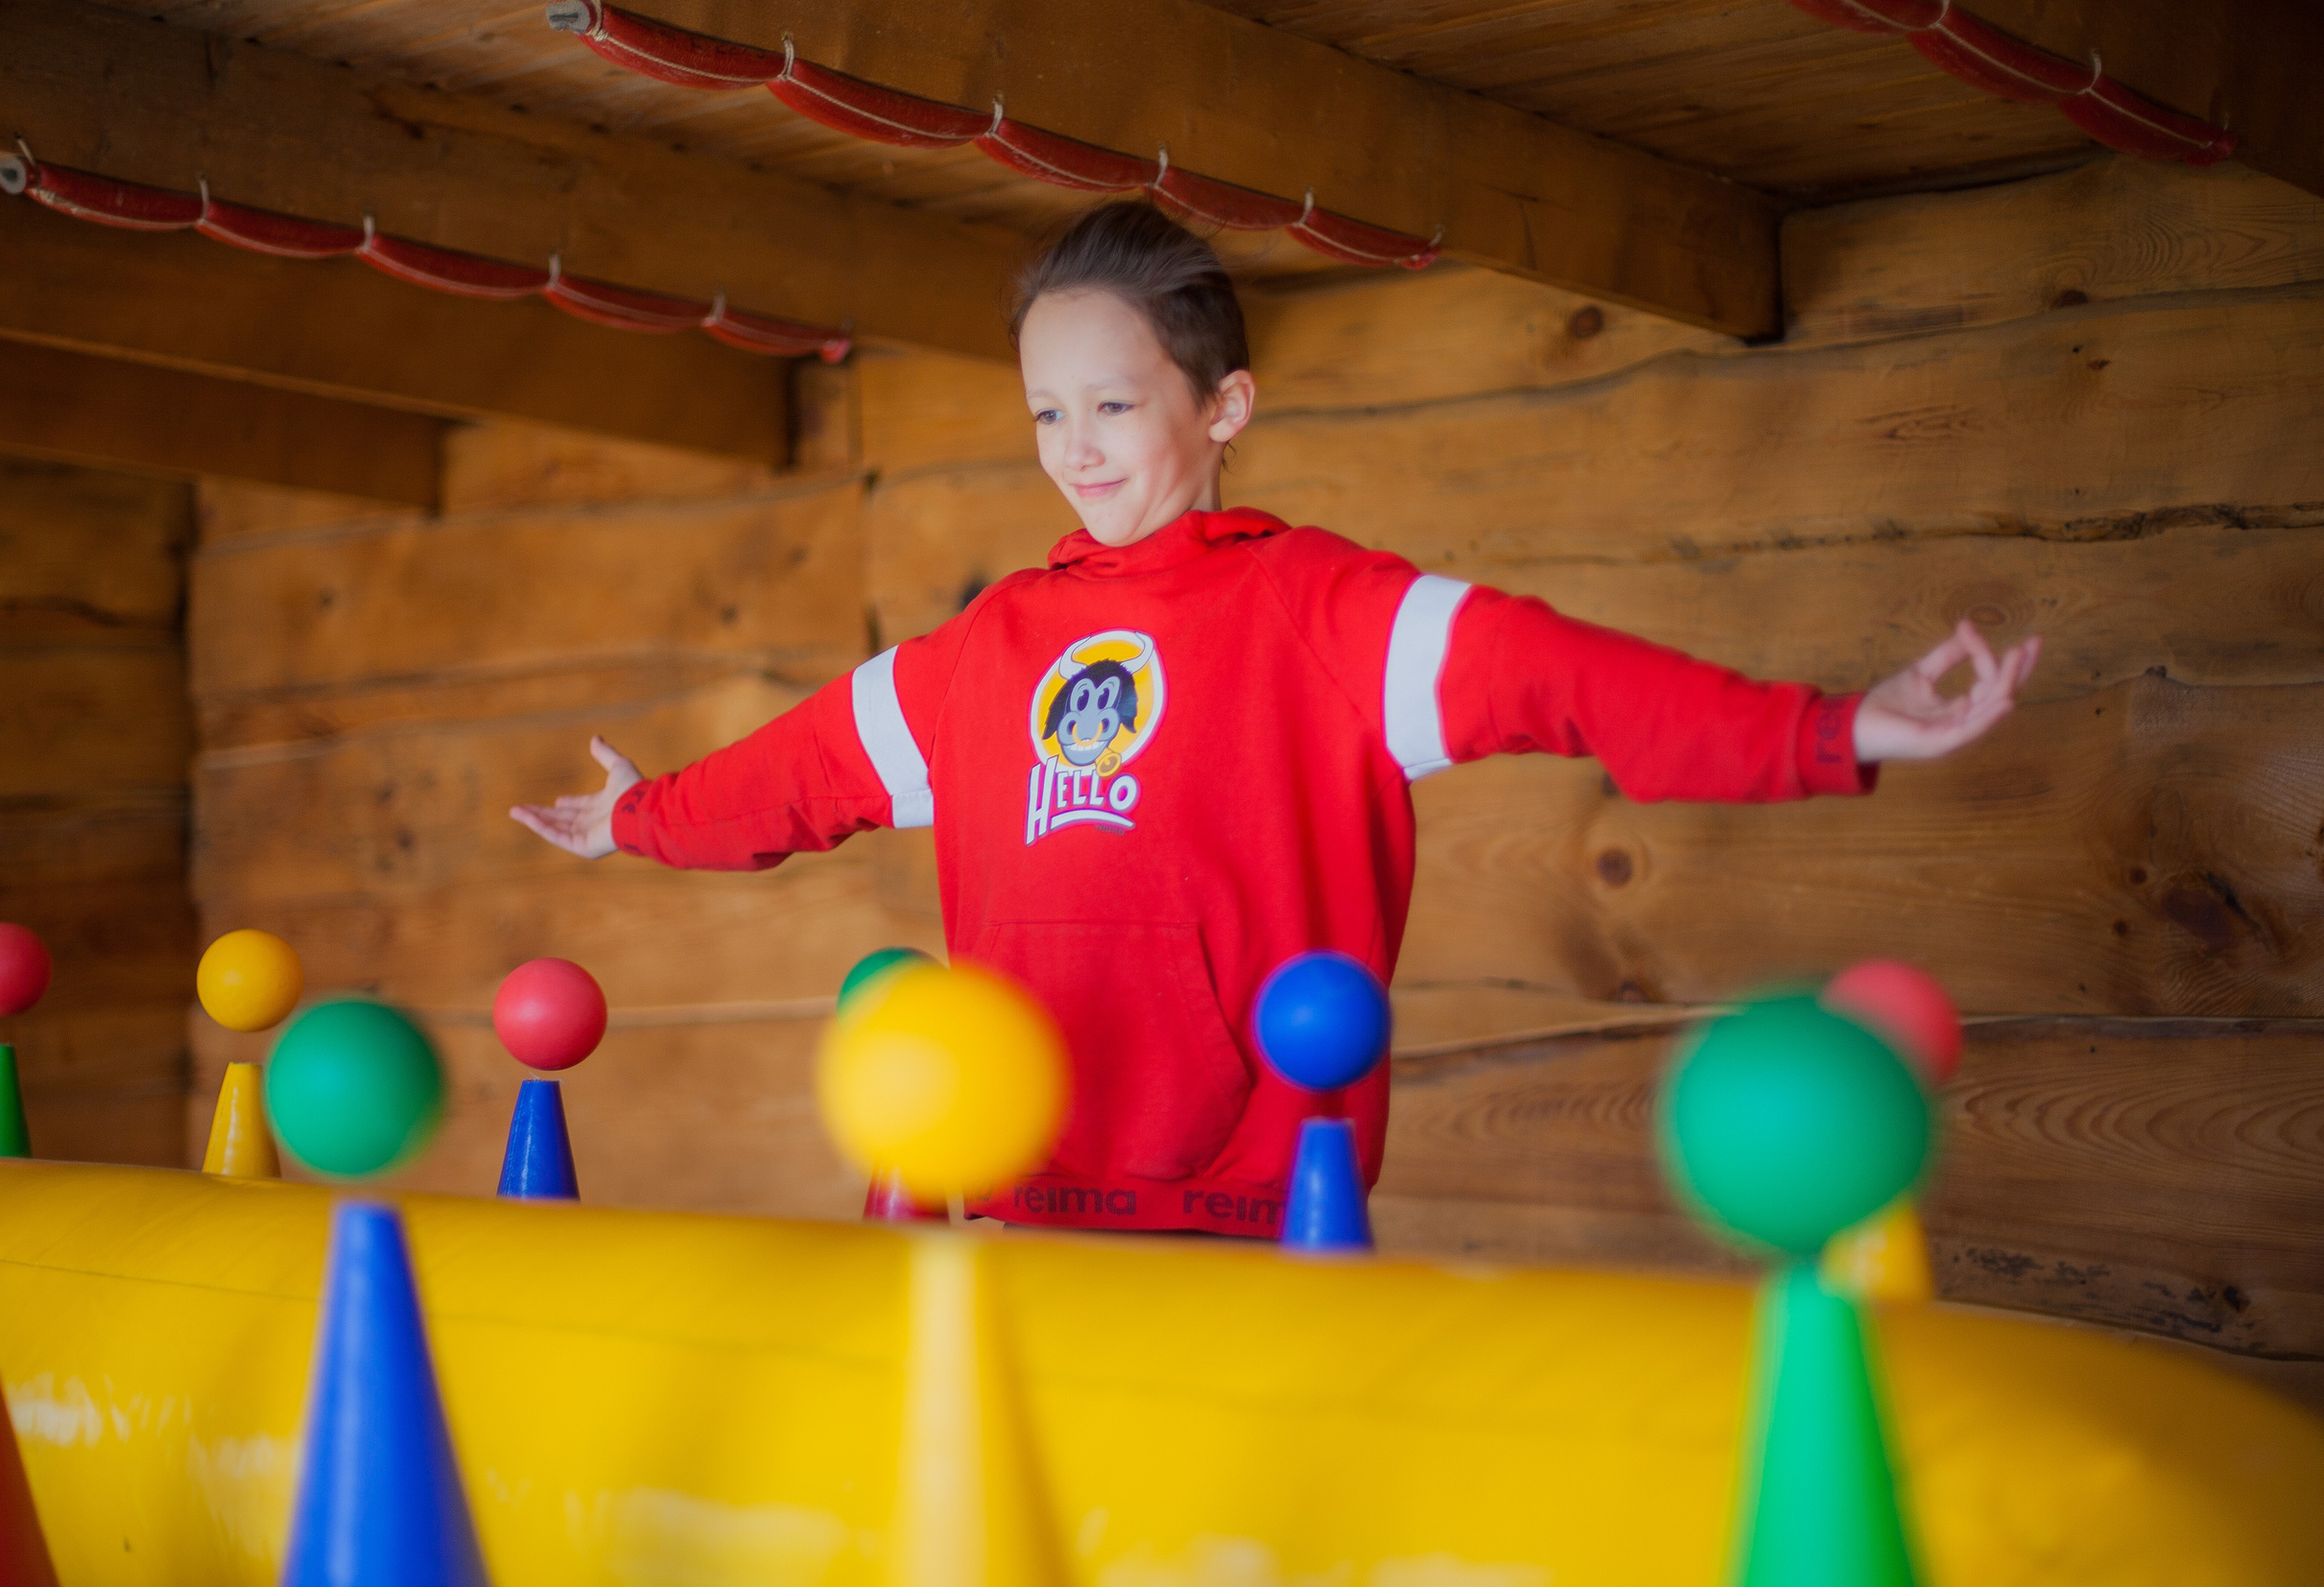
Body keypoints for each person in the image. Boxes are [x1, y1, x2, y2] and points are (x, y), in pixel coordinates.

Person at [512, 202, 2039, 1240]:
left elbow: (1570, 677)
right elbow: (802, 772)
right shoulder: (987, 650)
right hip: (1020, 1198)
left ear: (1223, 407)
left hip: (1258, 1209)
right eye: (1047, 411)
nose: (1075, 449)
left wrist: (1837, 731)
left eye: (1113, 405)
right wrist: (638, 815)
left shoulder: (1327, 612)